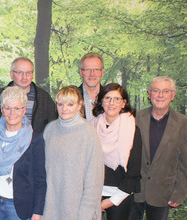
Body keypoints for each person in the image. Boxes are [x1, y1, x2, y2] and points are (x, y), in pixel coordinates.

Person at [0, 86, 46, 220]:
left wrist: (37, 212)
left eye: (17, 108)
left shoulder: (34, 139)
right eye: (8, 108)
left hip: (19, 206)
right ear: (1, 110)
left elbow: (40, 180)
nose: (12, 113)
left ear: (24, 110)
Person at [129, 76, 187, 220]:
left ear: (173, 95)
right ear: (149, 94)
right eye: (156, 91)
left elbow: (184, 162)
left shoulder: (182, 123)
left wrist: (179, 192)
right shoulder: (135, 118)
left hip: (163, 192)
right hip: (134, 189)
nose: (160, 95)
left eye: (165, 91)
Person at [42, 85, 103, 220]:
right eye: (60, 104)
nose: (64, 109)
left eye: (70, 104)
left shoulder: (88, 133)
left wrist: (85, 214)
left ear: (79, 105)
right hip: (50, 209)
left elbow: (94, 181)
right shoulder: (50, 130)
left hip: (78, 211)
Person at [91, 83, 142, 219]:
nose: (111, 103)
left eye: (117, 99)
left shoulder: (132, 130)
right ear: (101, 102)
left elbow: (134, 171)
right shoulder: (91, 127)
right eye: (107, 98)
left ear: (124, 103)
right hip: (93, 194)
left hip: (120, 195)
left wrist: (111, 201)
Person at [0, 57, 57, 133]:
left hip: (35, 144)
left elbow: (52, 128)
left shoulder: (44, 99)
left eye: (28, 73)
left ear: (32, 75)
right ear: (11, 74)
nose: (24, 77)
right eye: (19, 73)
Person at [77, 52, 104, 121]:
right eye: (88, 69)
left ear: (102, 72)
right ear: (81, 72)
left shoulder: (109, 97)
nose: (92, 74)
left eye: (96, 69)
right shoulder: (72, 97)